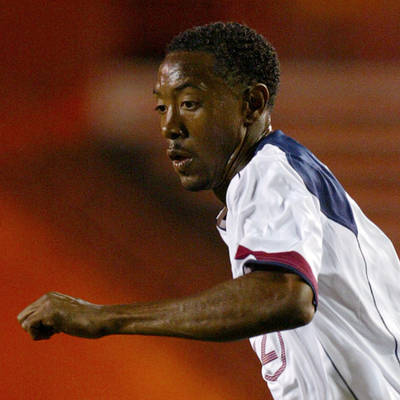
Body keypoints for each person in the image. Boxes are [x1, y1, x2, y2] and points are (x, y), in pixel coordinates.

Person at [18, 22, 400, 399]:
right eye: (161, 106)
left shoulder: (269, 173)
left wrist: (104, 318)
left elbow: (285, 296)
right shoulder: (275, 185)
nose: (170, 126)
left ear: (252, 104)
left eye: (189, 104)